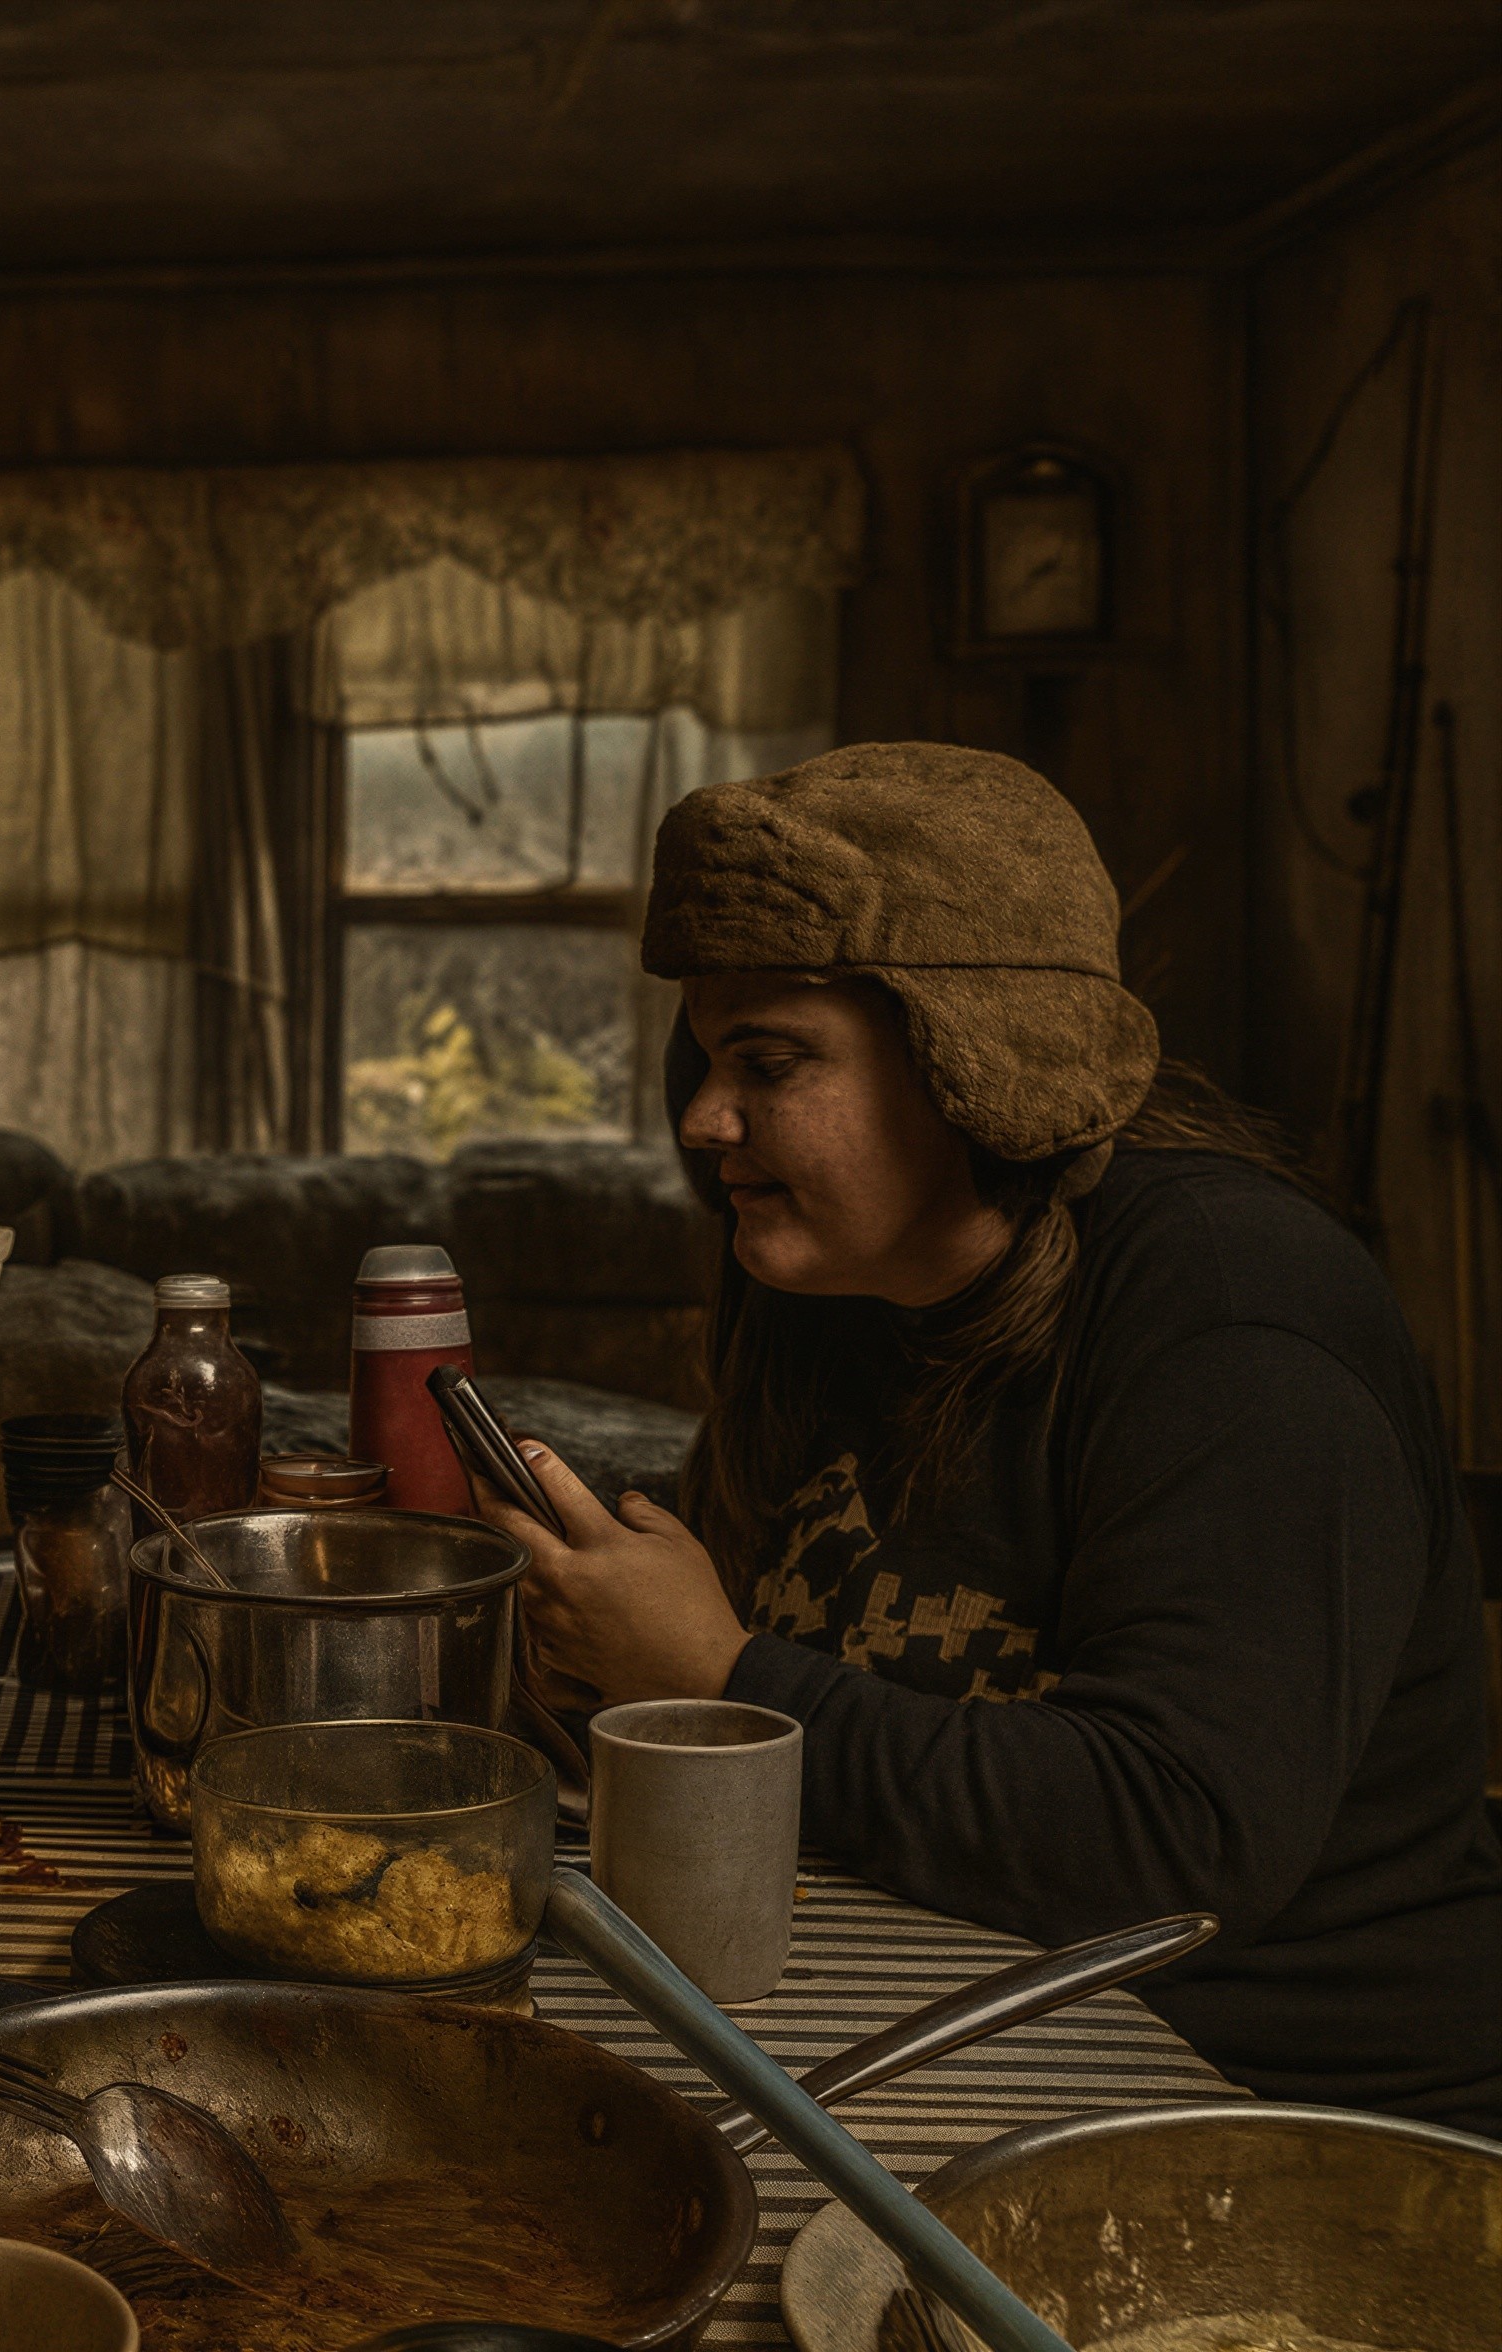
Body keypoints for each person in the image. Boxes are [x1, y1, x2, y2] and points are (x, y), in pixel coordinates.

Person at [479, 742, 1502, 2133]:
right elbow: (812, 1639)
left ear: (974, 1066)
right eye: (705, 1059)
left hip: (1268, 2101)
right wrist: (586, 1640)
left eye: (768, 1063)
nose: (705, 1120)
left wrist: (721, 1675)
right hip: (934, 1998)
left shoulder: (1235, 1315)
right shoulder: (833, 1272)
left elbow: (1173, 1843)